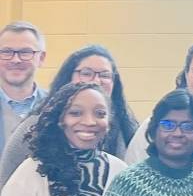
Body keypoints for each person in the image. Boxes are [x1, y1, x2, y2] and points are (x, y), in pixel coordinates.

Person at [0, 44, 137, 187]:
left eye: (104, 75)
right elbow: (6, 181)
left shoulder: (125, 129)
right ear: (68, 77)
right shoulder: (36, 126)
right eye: (86, 73)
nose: (96, 81)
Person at [0, 21, 46, 156]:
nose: (15, 60)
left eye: (25, 52)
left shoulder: (56, 107)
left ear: (41, 58)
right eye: (7, 52)